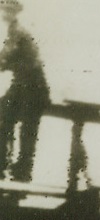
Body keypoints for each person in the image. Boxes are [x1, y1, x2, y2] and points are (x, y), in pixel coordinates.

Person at [0, 0, 49, 183]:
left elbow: (6, 57)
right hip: (21, 85)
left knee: (27, 129)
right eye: (4, 10)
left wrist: (4, 63)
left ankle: (21, 169)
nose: (5, 14)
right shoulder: (13, 31)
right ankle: (4, 163)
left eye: (9, 11)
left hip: (34, 87)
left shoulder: (18, 32)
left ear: (15, 13)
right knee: (3, 116)